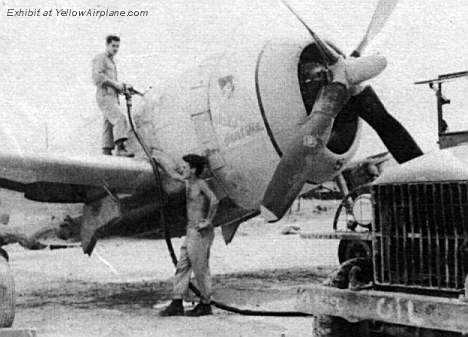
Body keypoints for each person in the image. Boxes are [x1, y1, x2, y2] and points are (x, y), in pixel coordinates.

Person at [159, 154, 219, 317]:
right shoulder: (188, 182)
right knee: (182, 266)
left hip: (200, 232)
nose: (182, 169)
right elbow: (172, 174)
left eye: (185, 167)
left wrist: (208, 221)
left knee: (200, 269)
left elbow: (215, 200)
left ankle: (205, 304)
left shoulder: (200, 184)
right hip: (191, 231)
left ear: (193, 170)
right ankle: (177, 302)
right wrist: (158, 158)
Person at [91, 35, 134, 157]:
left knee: (108, 124)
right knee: (120, 117)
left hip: (112, 96)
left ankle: (107, 151)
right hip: (105, 95)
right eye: (113, 46)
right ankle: (120, 149)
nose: (116, 49)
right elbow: (97, 77)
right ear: (107, 45)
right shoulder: (101, 58)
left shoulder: (112, 62)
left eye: (117, 46)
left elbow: (111, 82)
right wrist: (116, 84)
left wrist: (122, 87)